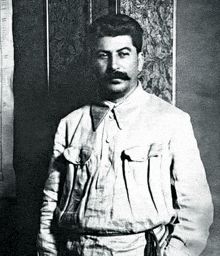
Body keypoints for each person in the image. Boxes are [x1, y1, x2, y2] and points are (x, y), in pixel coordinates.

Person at [37, 14, 213, 256]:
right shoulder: (71, 123)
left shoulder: (172, 121)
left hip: (140, 250)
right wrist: (48, 251)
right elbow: (50, 201)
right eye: (103, 55)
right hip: (75, 248)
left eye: (123, 54)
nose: (114, 66)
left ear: (139, 61)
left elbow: (196, 211)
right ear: (91, 62)